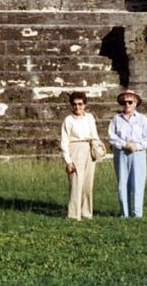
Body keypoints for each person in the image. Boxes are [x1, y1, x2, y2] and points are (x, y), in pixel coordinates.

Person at [107, 89, 147, 218]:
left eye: (130, 102)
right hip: (121, 152)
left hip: (137, 153)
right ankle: (124, 213)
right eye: (124, 102)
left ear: (136, 102)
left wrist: (136, 146)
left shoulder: (142, 119)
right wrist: (124, 144)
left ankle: (137, 213)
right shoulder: (116, 119)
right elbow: (111, 136)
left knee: (137, 182)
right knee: (122, 182)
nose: (127, 104)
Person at [60, 91, 103, 220]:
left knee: (87, 184)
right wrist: (68, 161)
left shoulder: (90, 117)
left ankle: (86, 213)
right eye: (74, 104)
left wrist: (99, 146)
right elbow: (64, 141)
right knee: (76, 183)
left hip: (89, 149)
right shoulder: (68, 120)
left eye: (80, 104)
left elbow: (94, 134)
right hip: (75, 149)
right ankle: (74, 215)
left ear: (84, 105)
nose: (77, 107)